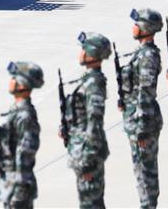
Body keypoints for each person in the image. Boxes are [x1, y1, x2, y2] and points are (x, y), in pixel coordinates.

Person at [62, 32, 111, 208]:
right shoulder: (89, 81)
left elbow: (95, 122)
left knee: (91, 202)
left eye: (83, 49)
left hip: (89, 153)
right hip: (84, 149)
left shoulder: (94, 84)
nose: (80, 53)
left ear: (91, 53)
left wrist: (88, 161)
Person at [121, 8, 164, 209]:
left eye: (137, 23)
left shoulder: (147, 55)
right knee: (142, 168)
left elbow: (145, 92)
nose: (134, 27)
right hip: (139, 118)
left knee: (145, 169)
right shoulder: (143, 53)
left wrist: (141, 126)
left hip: (143, 121)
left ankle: (148, 205)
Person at [0, 61, 43, 209]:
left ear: (22, 84)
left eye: (14, 78)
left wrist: (19, 191)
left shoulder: (24, 116)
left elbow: (25, 153)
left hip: (18, 186)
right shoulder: (15, 112)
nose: (11, 81)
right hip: (10, 182)